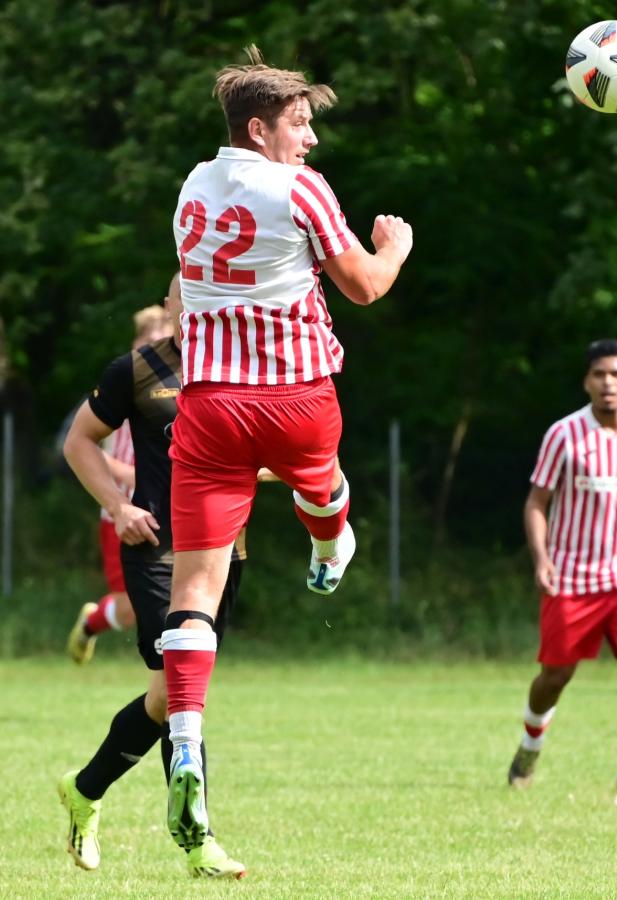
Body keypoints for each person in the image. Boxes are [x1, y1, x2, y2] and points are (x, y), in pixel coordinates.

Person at [161, 44, 413, 854]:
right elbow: (364, 286)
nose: (310, 140)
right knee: (323, 486)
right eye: (300, 125)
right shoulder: (302, 189)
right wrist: (394, 246)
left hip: (208, 404)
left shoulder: (194, 183)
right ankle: (329, 546)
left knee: (194, 590)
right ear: (259, 129)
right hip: (296, 398)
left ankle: (187, 743)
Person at [59, 274, 246, 879]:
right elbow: (79, 442)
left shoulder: (244, 368)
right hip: (157, 551)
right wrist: (119, 507)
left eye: (211, 299)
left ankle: (84, 790)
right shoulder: (136, 371)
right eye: (187, 299)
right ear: (170, 307)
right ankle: (198, 843)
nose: (199, 309)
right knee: (181, 693)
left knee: (168, 700)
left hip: (224, 554)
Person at [507, 339, 617, 795]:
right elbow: (536, 503)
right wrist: (542, 560)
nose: (608, 383)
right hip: (571, 576)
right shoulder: (564, 434)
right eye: (599, 374)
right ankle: (530, 745)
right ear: (587, 382)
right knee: (556, 676)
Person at [66, 304, 173, 664]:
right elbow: (85, 446)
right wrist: (127, 476)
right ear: (136, 344)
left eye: (163, 340)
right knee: (128, 611)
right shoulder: (125, 385)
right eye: (148, 340)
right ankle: (90, 624)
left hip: (164, 506)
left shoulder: (179, 388)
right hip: (122, 509)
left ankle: (172, 678)